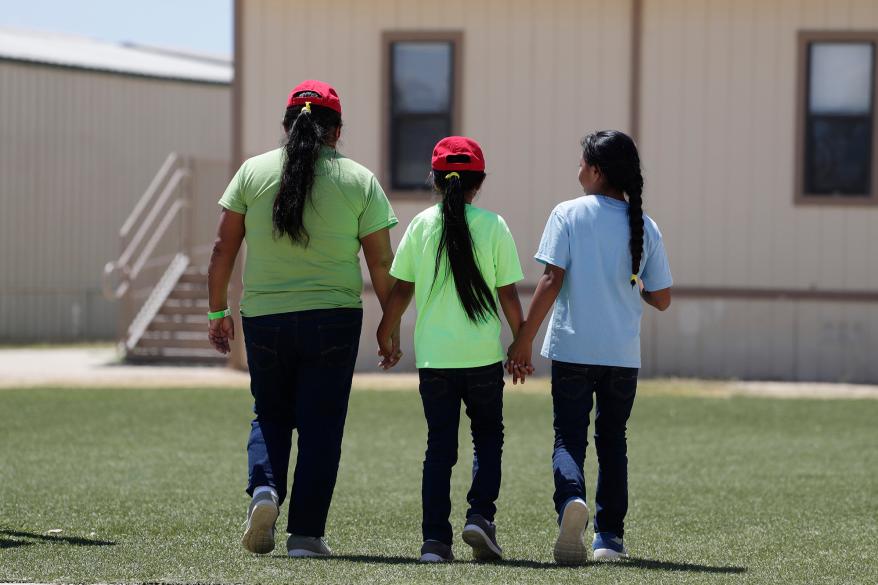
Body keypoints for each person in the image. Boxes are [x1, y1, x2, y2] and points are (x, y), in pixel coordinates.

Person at [207, 80, 400, 558]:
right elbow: (380, 263)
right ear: (337, 132)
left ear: (285, 127)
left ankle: (265, 492)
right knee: (321, 426)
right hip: (333, 319)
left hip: (265, 318)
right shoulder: (360, 180)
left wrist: (217, 312)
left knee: (269, 413)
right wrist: (389, 325)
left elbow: (223, 247)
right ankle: (306, 536)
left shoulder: (252, 172)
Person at [507, 130, 673, 565]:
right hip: (621, 355)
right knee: (613, 440)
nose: (577, 170)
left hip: (572, 349)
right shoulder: (645, 225)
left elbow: (550, 279)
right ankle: (609, 540)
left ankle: (571, 503)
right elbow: (661, 297)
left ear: (596, 171)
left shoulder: (567, 213)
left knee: (569, 439)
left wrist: (523, 337)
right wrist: (631, 282)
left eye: (582, 163)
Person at [376, 136, 526, 563]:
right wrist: (521, 342)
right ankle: (480, 516)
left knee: (439, 447)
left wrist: (386, 333)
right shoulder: (494, 225)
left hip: (434, 361)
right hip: (481, 358)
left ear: (436, 181)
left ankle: (434, 542)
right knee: (488, 441)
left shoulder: (421, 225)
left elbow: (402, 289)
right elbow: (509, 297)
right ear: (479, 182)